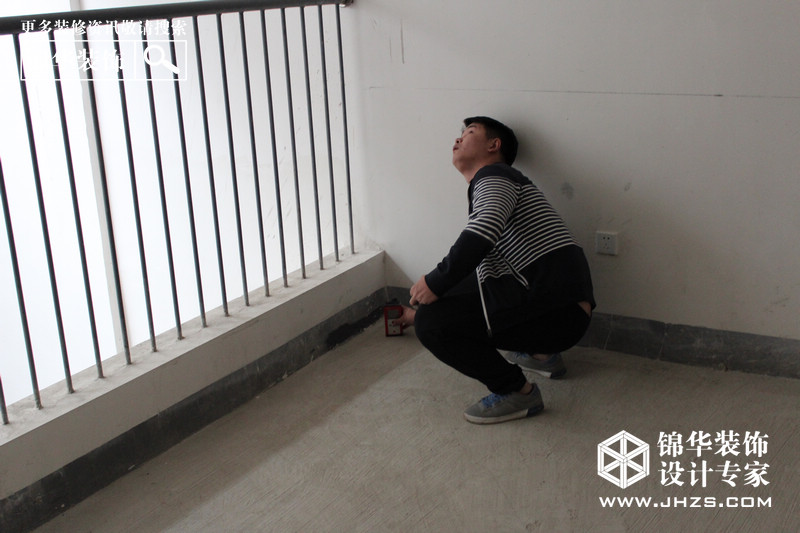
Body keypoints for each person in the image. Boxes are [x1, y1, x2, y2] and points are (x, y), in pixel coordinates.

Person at [399, 116, 595, 424]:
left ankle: (517, 391)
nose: (458, 139)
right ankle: (541, 355)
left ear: (494, 145)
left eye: (469, 132)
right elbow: (476, 273)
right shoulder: (504, 184)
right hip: (561, 309)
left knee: (432, 324)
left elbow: (481, 233)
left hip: (557, 311)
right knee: (454, 294)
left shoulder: (495, 174)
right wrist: (418, 311)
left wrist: (435, 283)